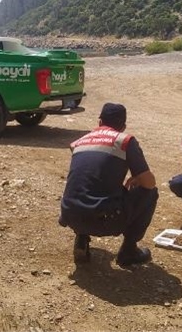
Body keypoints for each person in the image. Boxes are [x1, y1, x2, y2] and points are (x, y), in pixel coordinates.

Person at [59, 103, 159, 266]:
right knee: (150, 193)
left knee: (85, 188)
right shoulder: (125, 140)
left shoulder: (79, 142)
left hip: (70, 216)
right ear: (123, 126)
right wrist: (137, 179)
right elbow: (149, 183)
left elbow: (88, 174)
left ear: (99, 122)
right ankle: (129, 251)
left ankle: (81, 239)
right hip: (104, 222)